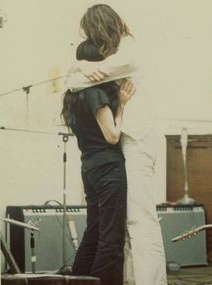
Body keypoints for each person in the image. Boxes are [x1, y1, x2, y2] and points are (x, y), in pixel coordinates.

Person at [66, 4, 167, 285]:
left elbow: (73, 82)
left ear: (100, 28)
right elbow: (77, 78)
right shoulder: (119, 53)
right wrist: (83, 65)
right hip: (127, 143)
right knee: (126, 223)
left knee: (138, 220)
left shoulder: (128, 53)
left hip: (137, 141)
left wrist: (81, 65)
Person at [62, 29, 135, 285]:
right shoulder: (96, 93)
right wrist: (122, 104)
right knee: (110, 237)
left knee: (93, 232)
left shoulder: (73, 95)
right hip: (108, 166)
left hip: (89, 167)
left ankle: (79, 281)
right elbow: (112, 136)